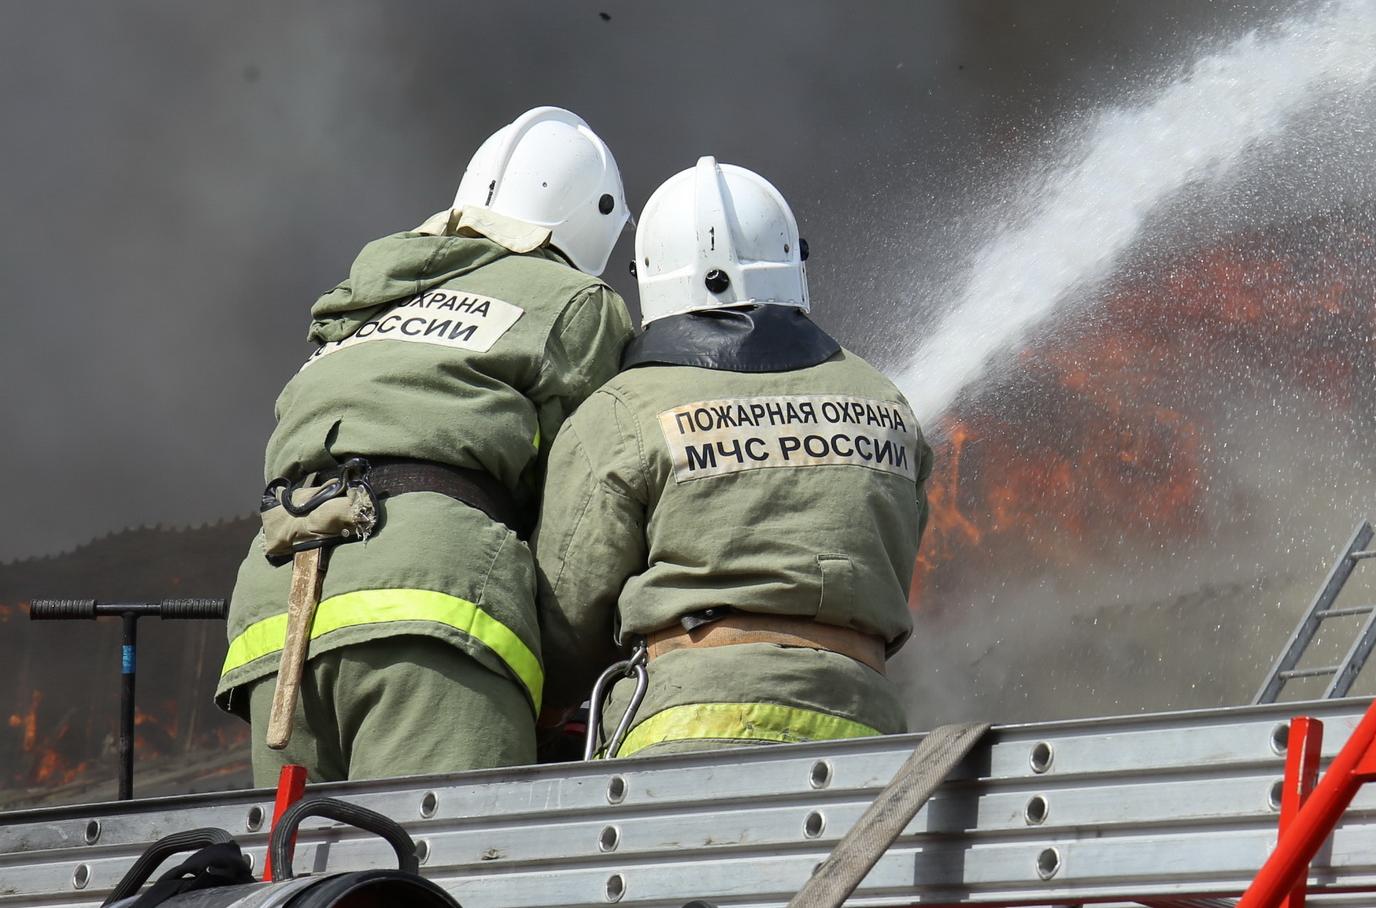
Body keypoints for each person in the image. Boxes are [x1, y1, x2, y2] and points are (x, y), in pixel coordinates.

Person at [219, 107, 636, 783]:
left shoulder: (366, 303)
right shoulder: (574, 300)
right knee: (446, 878)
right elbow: (588, 502)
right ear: (594, 220)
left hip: (275, 610)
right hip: (431, 603)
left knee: (302, 880)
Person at [537, 157, 928, 758]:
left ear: (650, 278)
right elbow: (888, 566)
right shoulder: (884, 399)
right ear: (793, 262)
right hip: (862, 733)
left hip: (680, 732)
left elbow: (566, 621)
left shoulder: (620, 410)